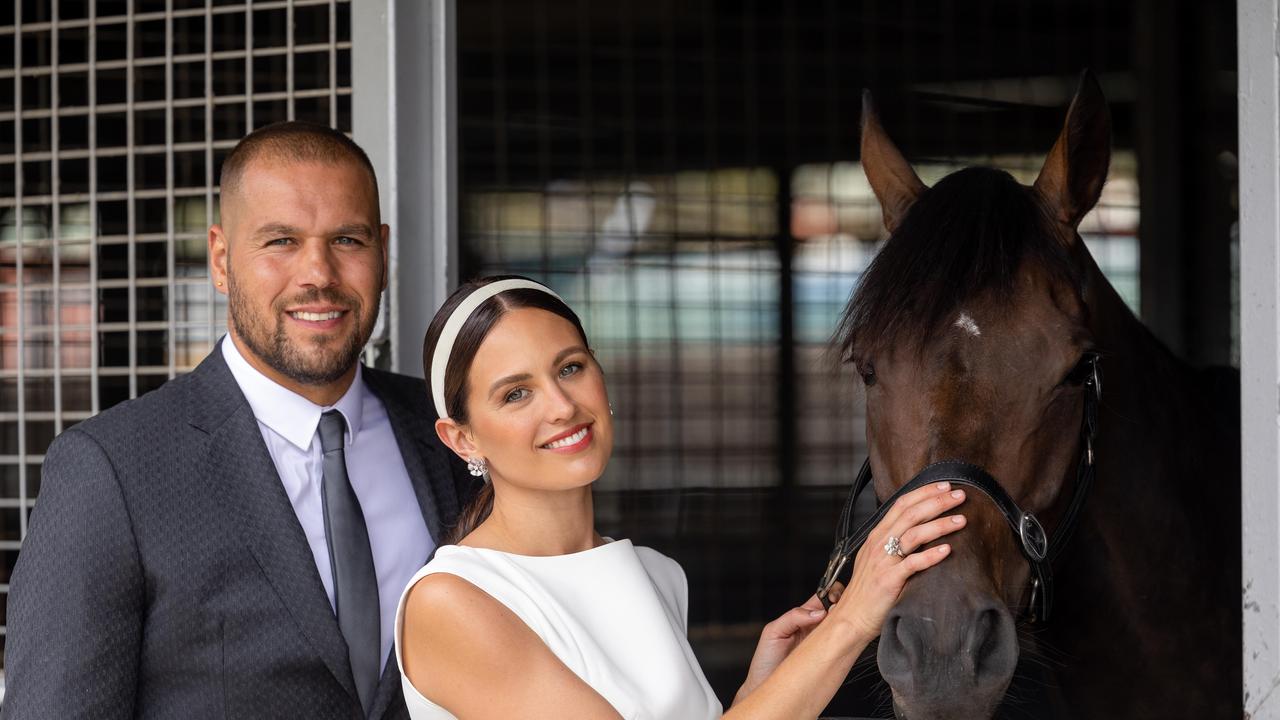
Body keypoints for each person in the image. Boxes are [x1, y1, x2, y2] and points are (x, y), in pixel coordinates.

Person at [4, 122, 477, 719]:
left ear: (382, 251)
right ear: (222, 260)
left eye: (348, 240)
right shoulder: (109, 471)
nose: (318, 274)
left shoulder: (451, 434)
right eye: (281, 241)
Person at [394, 276, 968, 719]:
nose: (561, 406)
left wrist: (761, 690)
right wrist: (852, 622)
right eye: (516, 393)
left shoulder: (655, 574)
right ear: (462, 437)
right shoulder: (452, 602)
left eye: (570, 368)